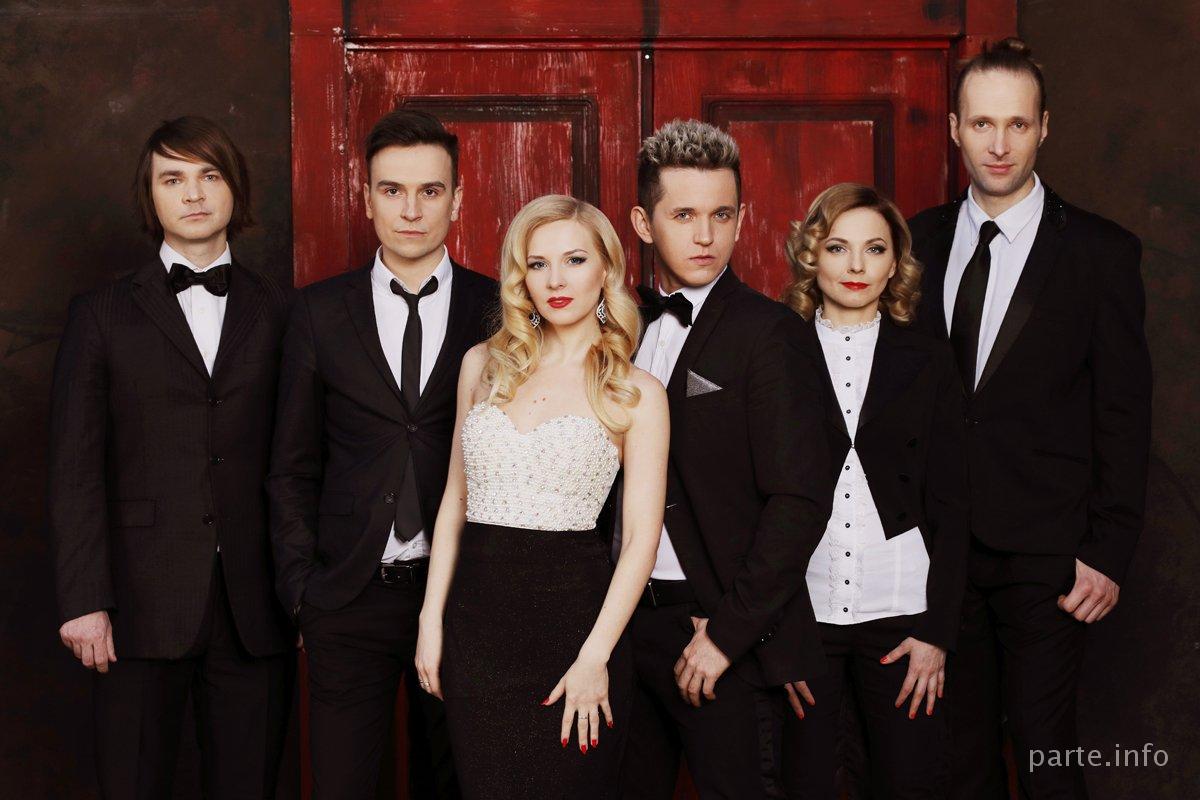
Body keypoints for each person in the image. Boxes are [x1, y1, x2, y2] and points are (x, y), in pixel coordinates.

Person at [907, 39, 1152, 799]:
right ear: (955, 127)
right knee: (958, 761)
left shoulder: (1101, 254)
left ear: (1044, 127)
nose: (999, 144)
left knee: (1047, 757)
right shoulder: (915, 242)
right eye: (983, 123)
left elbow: (1124, 412)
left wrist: (1109, 550)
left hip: (1051, 557)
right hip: (937, 556)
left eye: (1017, 124)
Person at [48, 116, 293, 798]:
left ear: (235, 189)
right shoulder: (99, 314)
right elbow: (74, 468)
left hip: (257, 607)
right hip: (134, 604)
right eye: (172, 178)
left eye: (209, 175)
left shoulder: (284, 309)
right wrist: (84, 600)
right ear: (150, 194)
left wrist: (305, 592)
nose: (193, 194)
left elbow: (301, 460)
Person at [267, 109, 496, 799]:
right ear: (365, 198)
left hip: (464, 597)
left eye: (430, 191)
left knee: (455, 784)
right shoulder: (316, 313)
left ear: (457, 199)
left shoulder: (501, 310)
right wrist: (303, 594)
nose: (411, 210)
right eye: (392, 190)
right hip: (348, 596)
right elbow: (291, 466)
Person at [413, 194, 668, 799]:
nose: (555, 280)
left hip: (576, 632)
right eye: (537, 263)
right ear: (520, 276)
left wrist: (595, 657)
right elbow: (453, 504)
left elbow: (640, 541)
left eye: (574, 260)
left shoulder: (636, 391)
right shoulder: (482, 365)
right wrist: (430, 621)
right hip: (476, 634)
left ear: (606, 269)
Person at [616, 119, 833, 799]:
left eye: (721, 215)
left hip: (717, 626)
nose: (706, 235)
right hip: (622, 627)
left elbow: (800, 502)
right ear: (644, 224)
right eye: (683, 215)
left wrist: (727, 635)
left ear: (742, 218)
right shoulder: (613, 329)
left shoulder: (771, 335)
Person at [779, 183, 969, 799]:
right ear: (812, 254)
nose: (856, 265)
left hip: (903, 610)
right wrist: (775, 632)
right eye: (838, 247)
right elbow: (751, 499)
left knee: (909, 782)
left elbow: (952, 505)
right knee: (806, 784)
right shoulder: (776, 352)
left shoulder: (929, 360)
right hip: (802, 612)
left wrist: (937, 632)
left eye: (875, 249)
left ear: (895, 264)